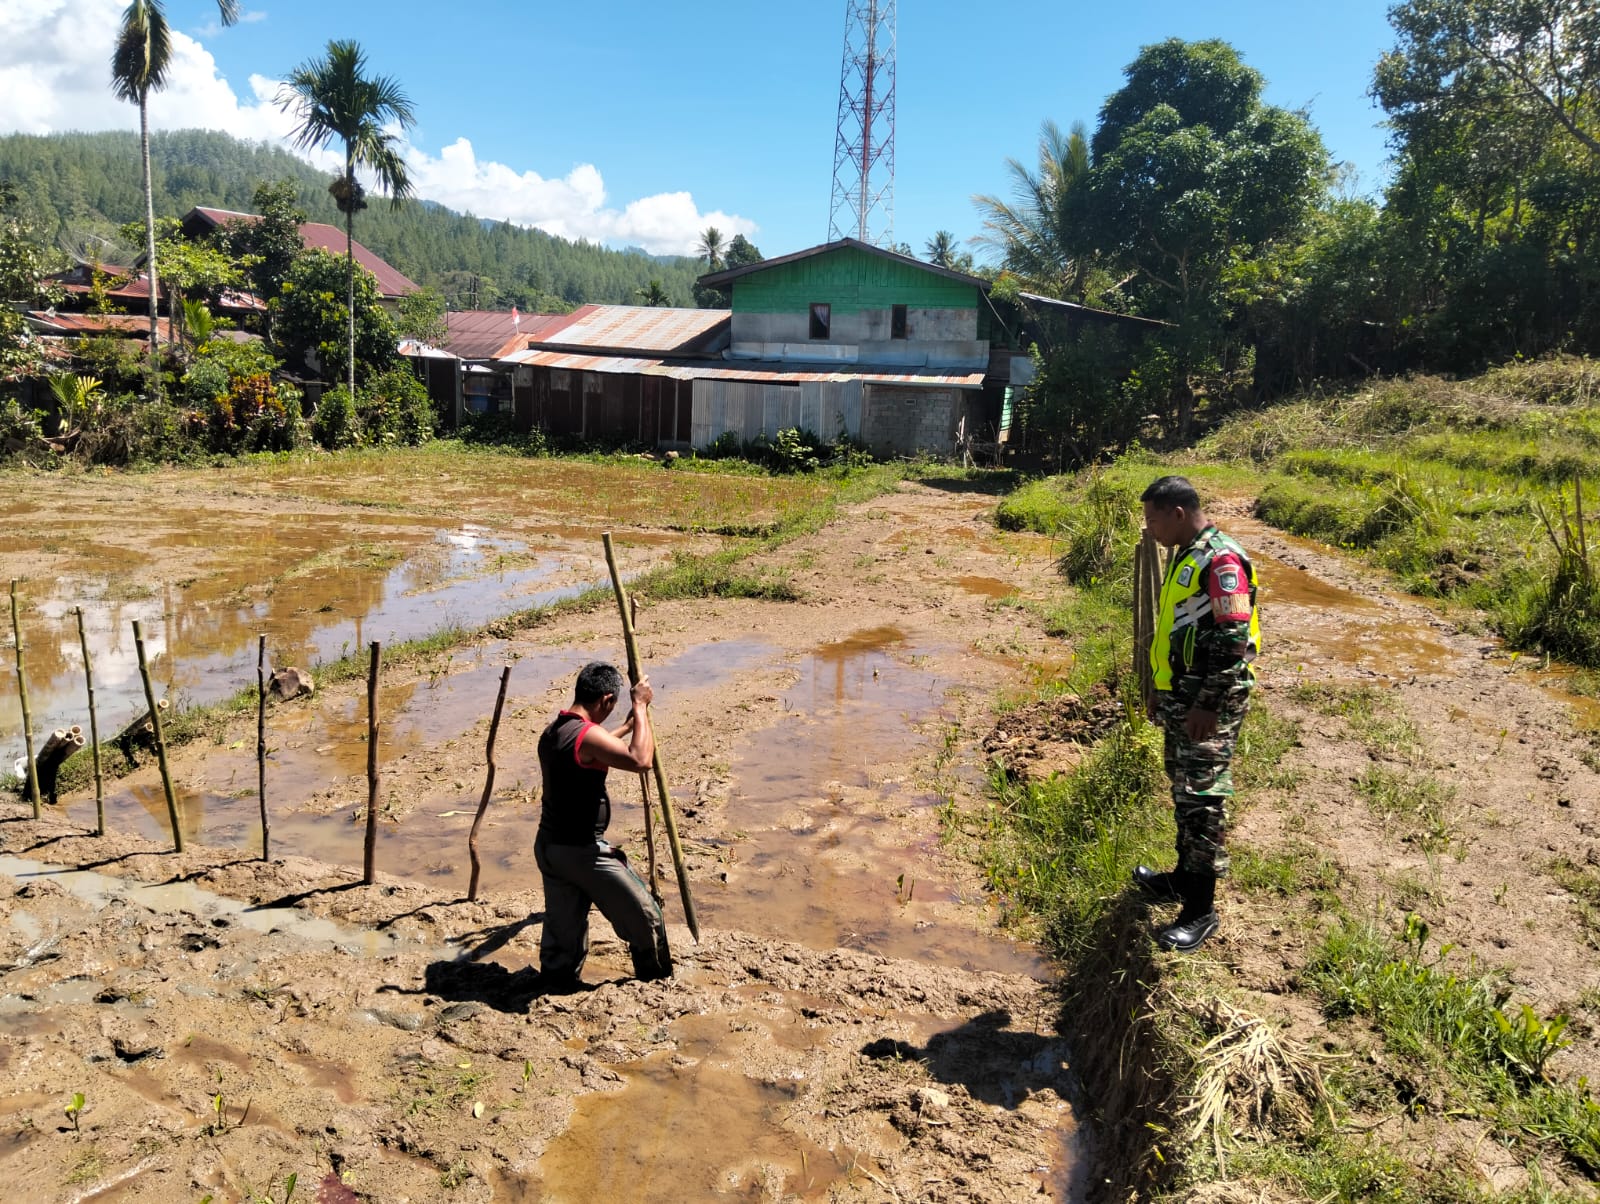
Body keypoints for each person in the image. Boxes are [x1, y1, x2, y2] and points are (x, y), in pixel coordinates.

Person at [1133, 475, 1260, 953]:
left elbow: (1233, 642)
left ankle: (1201, 911)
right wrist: (1163, 690)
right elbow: (1178, 631)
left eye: (1153, 520)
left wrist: (1207, 703)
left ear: (1177, 513)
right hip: (1183, 697)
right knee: (1184, 792)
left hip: (1208, 704)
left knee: (1203, 799)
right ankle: (1184, 879)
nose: (1150, 530)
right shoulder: (1189, 554)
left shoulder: (1222, 561)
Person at [534, 661, 673, 989]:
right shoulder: (587, 735)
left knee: (564, 930)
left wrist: (623, 729)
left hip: (550, 847)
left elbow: (590, 749)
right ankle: (657, 984)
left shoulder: (556, 731)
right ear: (607, 699)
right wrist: (639, 706)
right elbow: (641, 761)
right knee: (646, 918)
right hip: (582, 851)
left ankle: (557, 987)